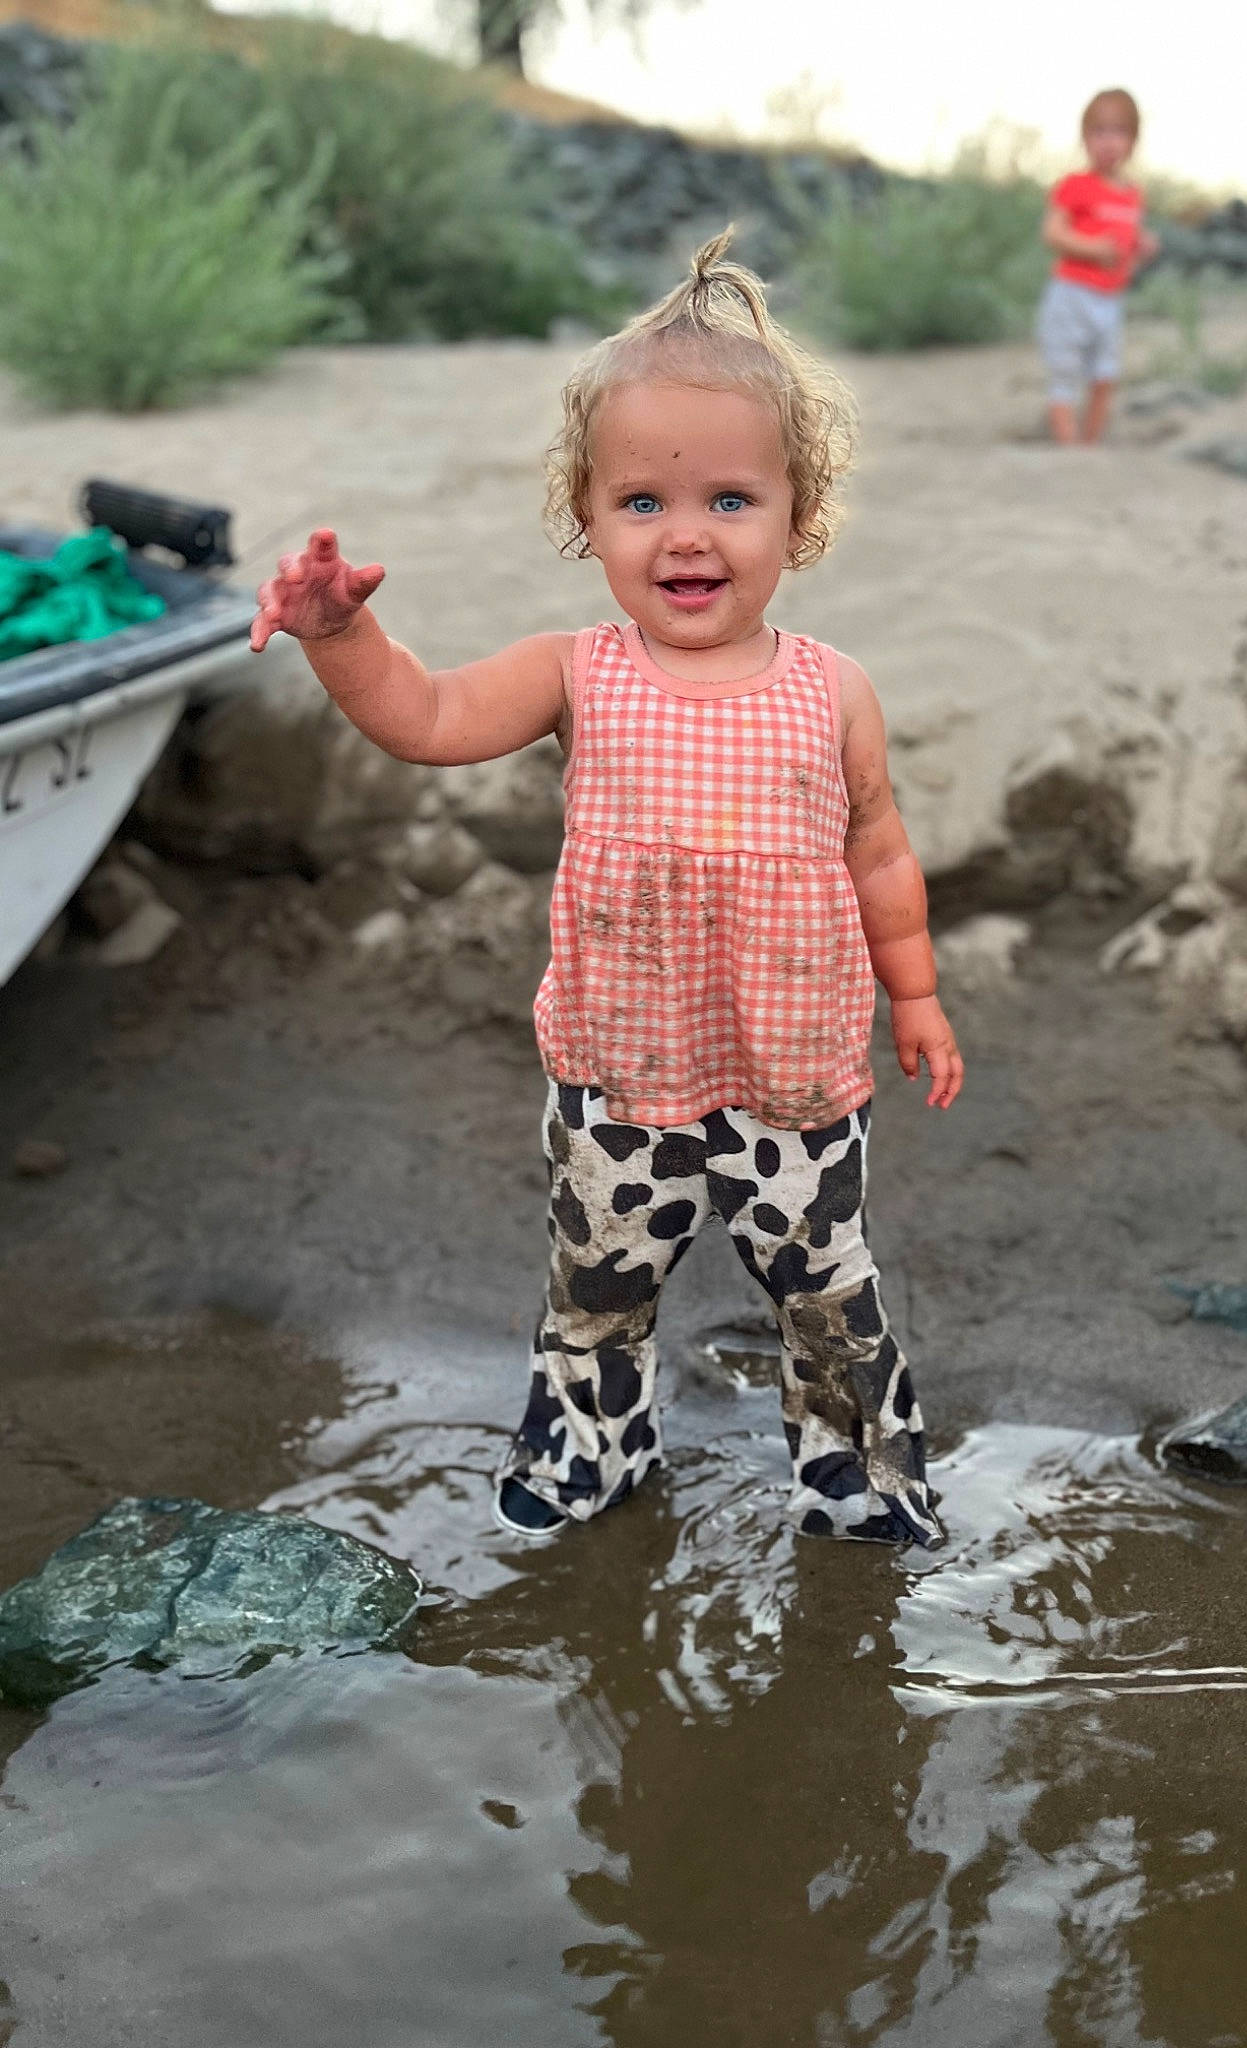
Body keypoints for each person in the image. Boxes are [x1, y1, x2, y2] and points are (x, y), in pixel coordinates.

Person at [248, 232, 963, 1552]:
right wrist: (343, 635)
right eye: (642, 502)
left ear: (799, 515)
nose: (686, 534)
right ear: (586, 516)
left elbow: (878, 852)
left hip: (794, 1073)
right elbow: (430, 716)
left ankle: (857, 1468)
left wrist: (913, 994)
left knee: (826, 1284)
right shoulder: (577, 671)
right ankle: (591, 1448)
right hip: (621, 1073)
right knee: (599, 1279)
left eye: (730, 502)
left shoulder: (832, 689)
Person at [1037, 88, 1161, 445]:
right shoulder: (1076, 185)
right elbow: (1052, 232)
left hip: (1110, 301)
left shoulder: (1131, 193)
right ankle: (1068, 448)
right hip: (1072, 296)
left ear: (1133, 141)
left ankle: (1089, 446)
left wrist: (1142, 246)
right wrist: (1092, 248)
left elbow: (1127, 240)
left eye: (1118, 132)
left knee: (1105, 375)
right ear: (1085, 138)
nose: (1108, 142)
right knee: (1065, 373)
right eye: (1099, 132)